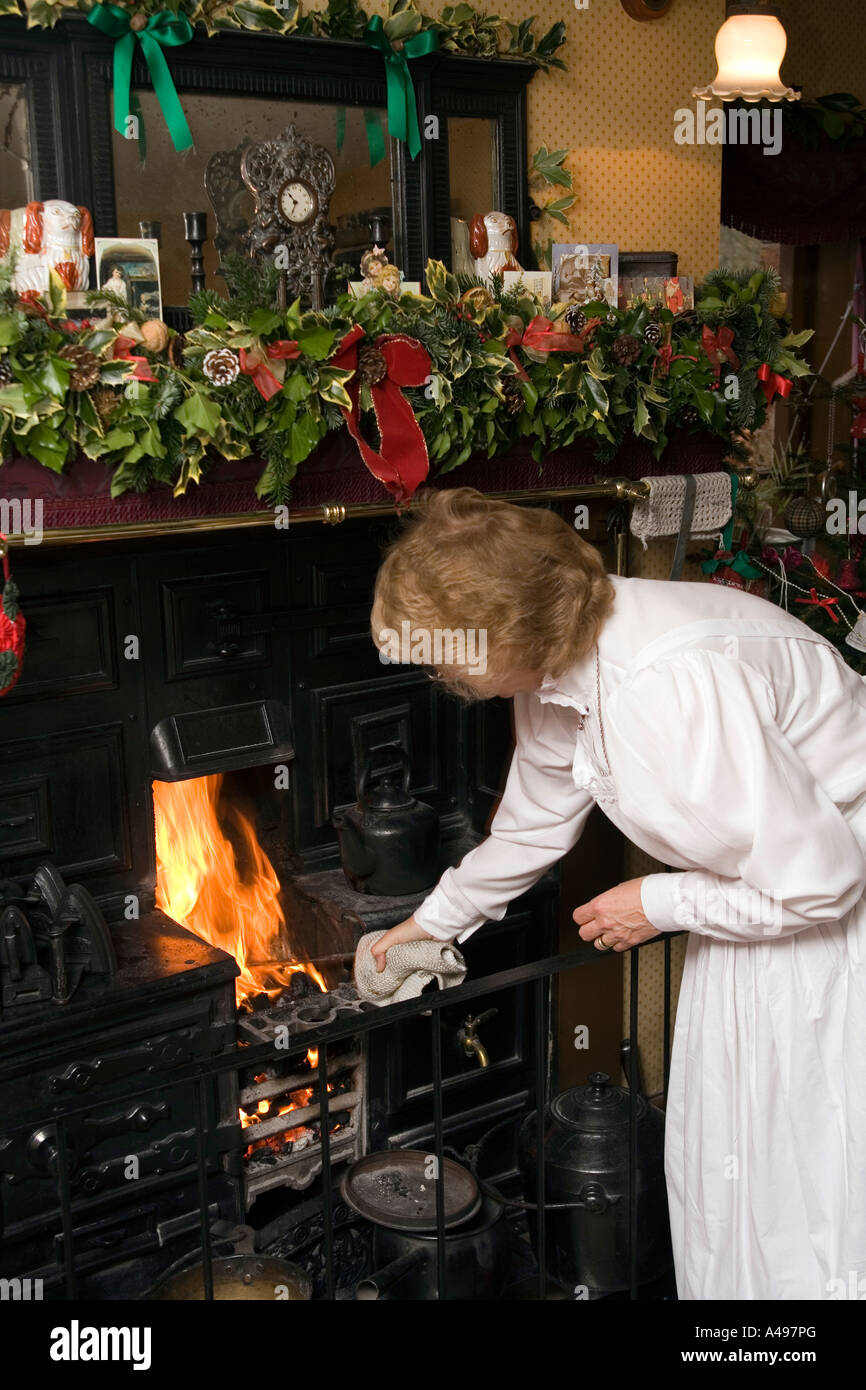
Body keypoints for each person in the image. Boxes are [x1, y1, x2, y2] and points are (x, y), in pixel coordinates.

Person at [368, 486, 866, 1302]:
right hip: (758, 910)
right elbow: (531, 827)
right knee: (728, 1166)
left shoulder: (661, 689)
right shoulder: (563, 661)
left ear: (509, 632)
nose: (432, 668)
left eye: (441, 650)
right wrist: (426, 927)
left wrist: (658, 904)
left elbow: (825, 881)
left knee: (800, 1179)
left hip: (828, 924)